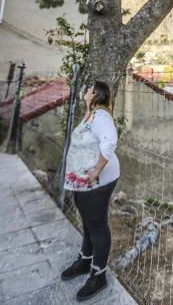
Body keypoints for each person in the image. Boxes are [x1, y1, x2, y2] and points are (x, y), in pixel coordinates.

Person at [61, 79, 119, 301]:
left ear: (95, 94)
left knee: (97, 225)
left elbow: (110, 142)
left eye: (88, 89)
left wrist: (96, 170)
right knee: (88, 221)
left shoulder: (102, 117)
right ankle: (85, 260)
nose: (85, 91)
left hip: (98, 181)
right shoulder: (91, 114)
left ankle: (98, 275)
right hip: (83, 181)